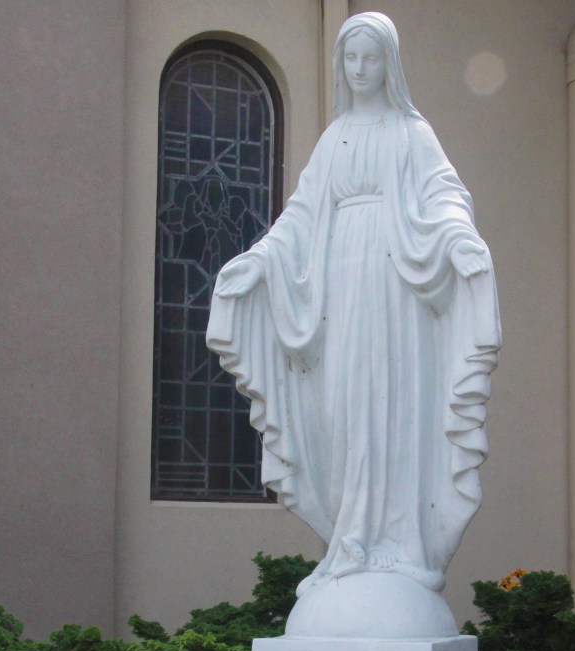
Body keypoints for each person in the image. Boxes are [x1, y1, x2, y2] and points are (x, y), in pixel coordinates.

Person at [207, 12, 501, 599]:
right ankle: (350, 541)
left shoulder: (411, 133)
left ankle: (402, 544)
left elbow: (445, 196)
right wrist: (261, 260)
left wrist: (458, 239)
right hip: (339, 289)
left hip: (395, 287)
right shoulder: (335, 138)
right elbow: (300, 216)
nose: (360, 69)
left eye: (370, 58)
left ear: (388, 63)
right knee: (342, 408)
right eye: (351, 58)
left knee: (391, 403)